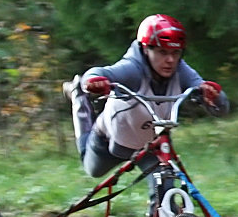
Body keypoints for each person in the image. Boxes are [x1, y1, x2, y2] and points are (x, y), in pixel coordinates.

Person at [63, 13, 229, 179]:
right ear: (145, 49)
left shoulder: (182, 72)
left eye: (176, 52)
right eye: (162, 52)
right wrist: (93, 81)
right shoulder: (132, 70)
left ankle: (162, 206)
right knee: (93, 171)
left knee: (165, 186)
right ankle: (78, 97)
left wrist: (213, 97)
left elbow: (217, 104)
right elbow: (100, 73)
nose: (170, 60)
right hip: (109, 139)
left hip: (152, 143)